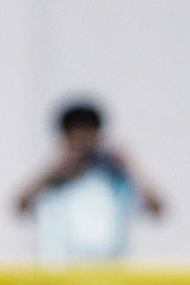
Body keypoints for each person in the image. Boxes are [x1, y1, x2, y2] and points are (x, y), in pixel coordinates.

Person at [15, 100, 165, 263]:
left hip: (108, 274)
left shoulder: (114, 179)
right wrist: (53, 169)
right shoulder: (52, 181)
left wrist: (131, 166)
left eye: (88, 135)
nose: (83, 144)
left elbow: (157, 208)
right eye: (76, 137)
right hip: (60, 275)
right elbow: (20, 205)